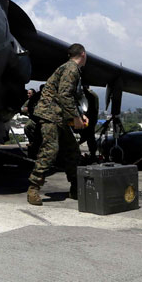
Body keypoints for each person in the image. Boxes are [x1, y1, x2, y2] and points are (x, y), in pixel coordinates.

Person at [26, 43, 87, 206]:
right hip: (50, 114)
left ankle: (76, 188)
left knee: (73, 151)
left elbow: (68, 97)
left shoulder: (70, 68)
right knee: (50, 150)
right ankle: (33, 188)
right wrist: (76, 117)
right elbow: (65, 95)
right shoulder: (71, 69)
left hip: (58, 116)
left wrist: (79, 115)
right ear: (83, 54)